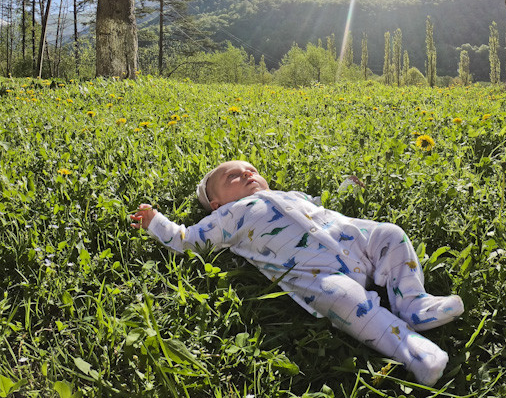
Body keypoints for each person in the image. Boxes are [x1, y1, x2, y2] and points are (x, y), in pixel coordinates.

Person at [130, 160, 464, 386]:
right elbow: (188, 240)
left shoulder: (286, 194)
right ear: (216, 204)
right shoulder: (230, 216)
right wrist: (156, 222)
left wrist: (348, 187)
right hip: (316, 274)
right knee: (344, 300)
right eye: (232, 176)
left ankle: (414, 303)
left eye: (251, 169)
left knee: (390, 234)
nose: (247, 174)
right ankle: (414, 351)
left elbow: (322, 204)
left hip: (351, 241)